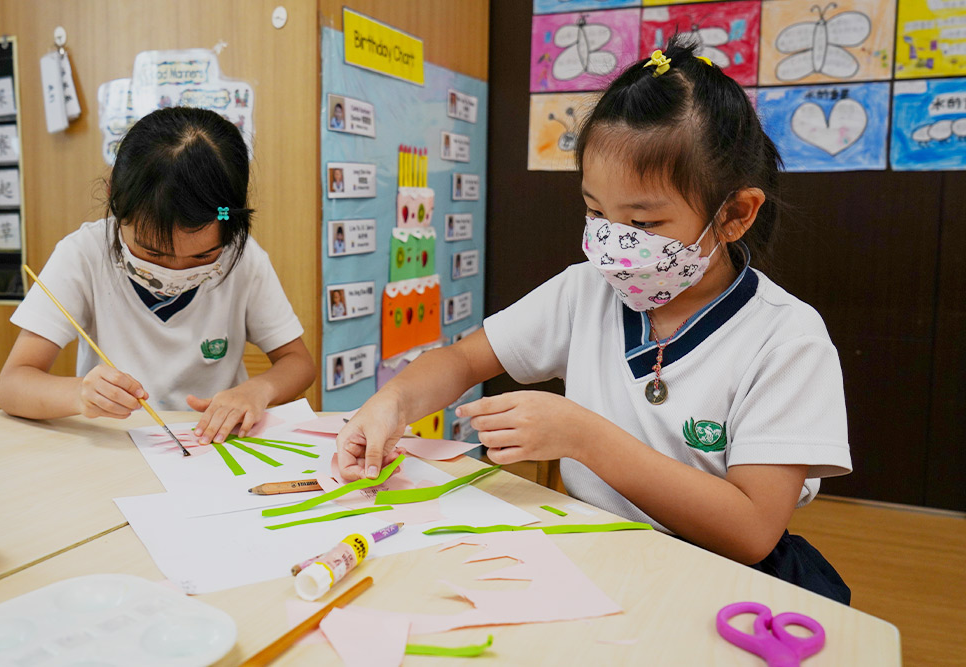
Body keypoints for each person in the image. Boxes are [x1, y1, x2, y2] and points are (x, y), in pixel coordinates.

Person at [336, 37, 853, 604]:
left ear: (734, 214)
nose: (613, 244)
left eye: (644, 223)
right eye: (596, 212)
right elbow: (462, 359)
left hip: (714, 586)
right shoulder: (586, 291)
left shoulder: (787, 340)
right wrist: (392, 403)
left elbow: (751, 530)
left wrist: (583, 436)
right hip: (595, 562)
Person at [0, 107, 316, 446]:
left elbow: (298, 363)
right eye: (153, 253)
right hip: (115, 448)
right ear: (115, 198)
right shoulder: (84, 254)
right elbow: (11, 384)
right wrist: (79, 395)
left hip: (215, 448)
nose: (175, 271)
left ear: (231, 220)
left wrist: (258, 390)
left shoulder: (244, 257)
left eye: (203, 256)